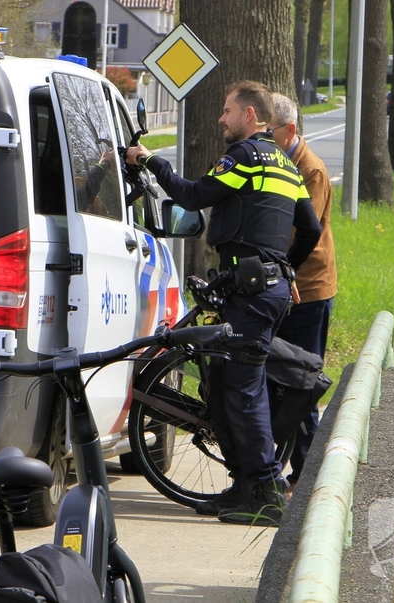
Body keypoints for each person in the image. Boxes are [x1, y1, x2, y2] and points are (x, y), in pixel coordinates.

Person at [125, 81, 322, 526]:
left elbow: (194, 196)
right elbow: (310, 229)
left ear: (250, 116)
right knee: (227, 385)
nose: (221, 119)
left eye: (227, 110)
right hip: (259, 290)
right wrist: (285, 270)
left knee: (244, 390)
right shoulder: (287, 167)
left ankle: (268, 495)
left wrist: (149, 160)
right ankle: (243, 488)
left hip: (251, 293)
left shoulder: (247, 157)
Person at [269, 93, 338, 493]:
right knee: (282, 378)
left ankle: (309, 475)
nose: (264, 138)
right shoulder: (280, 163)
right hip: (286, 285)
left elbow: (299, 231)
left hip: (308, 290)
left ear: (289, 131)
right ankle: (292, 469)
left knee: (302, 380)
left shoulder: (310, 169)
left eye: (270, 131)